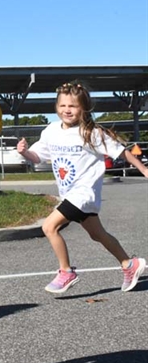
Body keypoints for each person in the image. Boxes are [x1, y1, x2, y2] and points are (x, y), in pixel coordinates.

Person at [17, 81, 148, 294]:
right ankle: (129, 264)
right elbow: (38, 156)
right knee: (98, 234)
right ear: (56, 107)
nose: (67, 110)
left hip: (84, 193)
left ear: (83, 109)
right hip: (68, 193)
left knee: (49, 227)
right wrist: (24, 153)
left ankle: (66, 271)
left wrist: (143, 169)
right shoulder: (51, 131)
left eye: (73, 106)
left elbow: (121, 151)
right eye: (62, 106)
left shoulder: (91, 133)